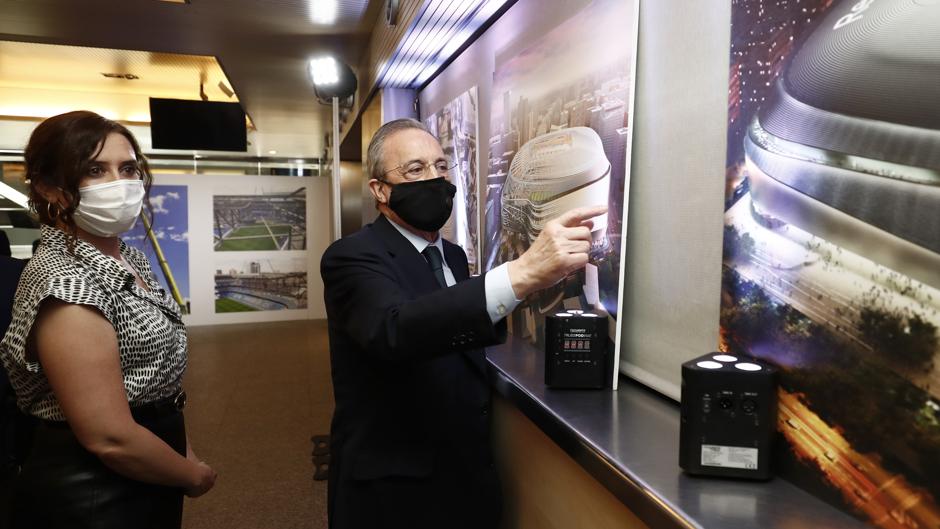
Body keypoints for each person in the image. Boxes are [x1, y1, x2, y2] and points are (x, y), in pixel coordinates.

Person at [321, 118, 605, 529]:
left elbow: (459, 328)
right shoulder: (351, 257)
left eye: (440, 166)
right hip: (395, 495)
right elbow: (395, 330)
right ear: (380, 190)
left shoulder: (453, 256)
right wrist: (523, 271)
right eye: (415, 170)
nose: (434, 179)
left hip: (465, 481)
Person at [0, 111, 216, 529]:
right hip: (94, 489)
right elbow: (109, 437)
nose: (119, 183)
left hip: (148, 461)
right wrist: (194, 474)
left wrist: (179, 449)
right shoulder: (64, 281)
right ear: (49, 187)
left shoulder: (127, 257)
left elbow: (152, 378)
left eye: (128, 168)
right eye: (95, 170)